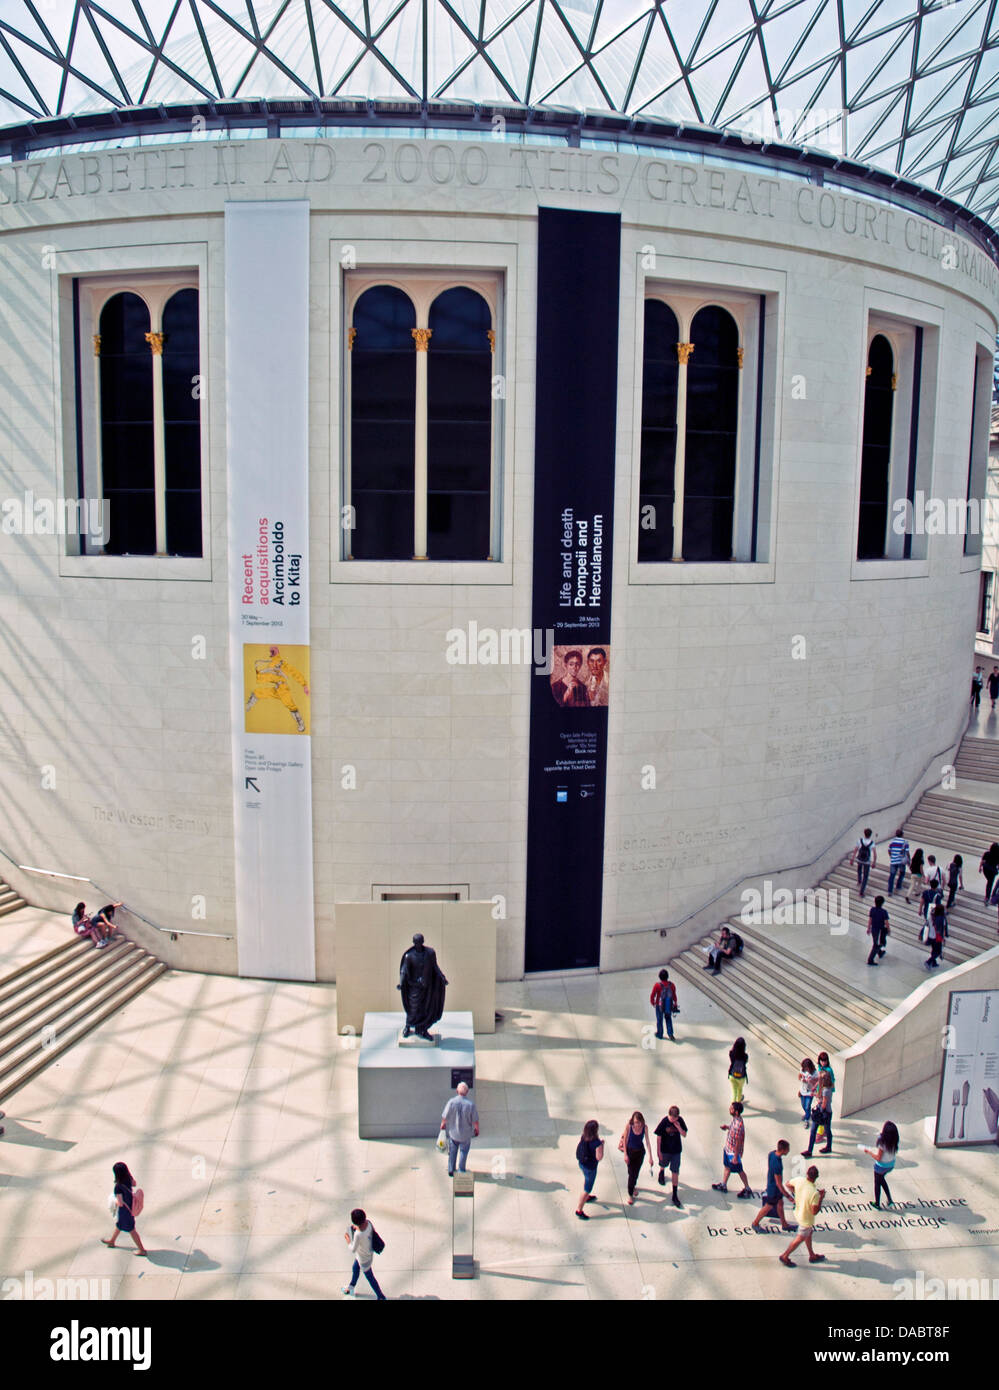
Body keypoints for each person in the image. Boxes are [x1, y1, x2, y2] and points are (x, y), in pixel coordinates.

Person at [246, 645, 310, 733]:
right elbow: (270, 676)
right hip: (276, 689)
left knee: (291, 706)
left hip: (283, 690)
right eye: (271, 651)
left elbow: (295, 673)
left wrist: (304, 685)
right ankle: (247, 706)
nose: (271, 651)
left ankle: (301, 723)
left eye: (273, 650)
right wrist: (258, 674)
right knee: (257, 692)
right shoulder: (272, 663)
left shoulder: (282, 664)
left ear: (277, 652)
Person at [397, 933, 448, 1038]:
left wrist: (442, 977)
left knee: (425, 1009)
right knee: (413, 1008)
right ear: (413, 943)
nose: (418, 944)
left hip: (426, 986)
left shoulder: (430, 953)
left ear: (423, 942)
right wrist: (401, 983)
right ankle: (408, 1026)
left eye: (420, 942)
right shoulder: (409, 956)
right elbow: (404, 971)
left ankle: (422, 1030)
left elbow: (435, 967)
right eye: (416, 943)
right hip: (414, 987)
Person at [780, 1165, 826, 1266]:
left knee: (808, 1233)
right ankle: (785, 1255)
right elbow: (814, 1211)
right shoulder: (815, 1193)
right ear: (816, 1177)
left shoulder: (799, 1180)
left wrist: (796, 1192)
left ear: (807, 1174)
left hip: (798, 1212)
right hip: (806, 1218)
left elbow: (787, 1184)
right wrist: (821, 1198)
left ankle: (812, 1255)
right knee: (800, 1237)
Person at [751, 1139, 798, 1232]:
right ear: (783, 1150)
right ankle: (755, 1223)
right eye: (788, 1149)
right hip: (774, 1189)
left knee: (780, 1204)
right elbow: (779, 1183)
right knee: (768, 1206)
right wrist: (789, 1196)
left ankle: (784, 1224)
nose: (788, 1151)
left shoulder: (771, 1154)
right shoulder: (777, 1164)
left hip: (771, 1184)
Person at [101, 1162, 146, 1255]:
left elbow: (120, 1203)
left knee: (131, 1230)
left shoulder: (118, 1187)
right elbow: (134, 1183)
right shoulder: (128, 1179)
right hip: (130, 1206)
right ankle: (112, 1241)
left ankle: (142, 1250)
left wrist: (113, 1200)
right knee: (119, 1225)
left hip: (125, 1211)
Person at [341, 1208, 386, 1299]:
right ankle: (351, 1287)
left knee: (370, 1278)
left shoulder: (358, 1234)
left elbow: (353, 1249)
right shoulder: (369, 1223)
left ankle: (381, 1296)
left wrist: (348, 1239)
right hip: (367, 1254)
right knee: (355, 1268)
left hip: (363, 1259)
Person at [712, 1101, 753, 1198]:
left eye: (731, 1109)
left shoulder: (738, 1125)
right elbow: (733, 1129)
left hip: (733, 1152)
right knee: (727, 1167)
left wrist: (735, 1156)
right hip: (728, 1148)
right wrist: (727, 1127)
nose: (729, 1110)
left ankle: (747, 1188)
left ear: (737, 1112)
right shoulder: (735, 1119)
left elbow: (738, 1141)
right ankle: (724, 1184)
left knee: (739, 1170)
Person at [440, 1081, 479, 1177]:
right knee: (463, 1152)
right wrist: (477, 1129)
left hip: (453, 1133)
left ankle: (451, 1169)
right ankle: (461, 1170)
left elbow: (445, 1116)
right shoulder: (471, 1105)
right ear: (467, 1092)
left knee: (452, 1151)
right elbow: (475, 1120)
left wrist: (442, 1125)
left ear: (457, 1091)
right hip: (465, 1134)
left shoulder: (451, 1102)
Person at [653, 1105, 687, 1208]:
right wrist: (658, 1151)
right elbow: (658, 1137)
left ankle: (675, 1195)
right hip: (665, 1150)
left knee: (675, 1171)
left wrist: (678, 1127)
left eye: (675, 1118)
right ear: (669, 1115)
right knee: (663, 1163)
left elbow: (684, 1134)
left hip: (676, 1151)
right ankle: (661, 1171)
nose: (673, 1120)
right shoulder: (664, 1122)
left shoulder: (680, 1121)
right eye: (672, 1118)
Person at [619, 1110, 654, 1205]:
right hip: (630, 1151)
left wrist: (651, 1157)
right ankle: (630, 1194)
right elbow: (625, 1140)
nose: (637, 1125)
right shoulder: (629, 1126)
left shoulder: (645, 1128)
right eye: (635, 1123)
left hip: (640, 1152)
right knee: (631, 1174)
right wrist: (625, 1154)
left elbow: (647, 1142)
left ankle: (633, 1186)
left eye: (639, 1122)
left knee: (636, 1172)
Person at [864, 1122, 899, 1209]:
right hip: (890, 1165)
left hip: (881, 1166)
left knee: (877, 1183)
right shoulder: (895, 1140)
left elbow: (878, 1158)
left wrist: (869, 1152)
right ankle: (889, 1199)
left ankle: (877, 1203)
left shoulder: (882, 1143)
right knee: (881, 1179)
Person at [575, 1120, 604, 1219]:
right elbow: (599, 1157)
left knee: (587, 1180)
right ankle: (579, 1210)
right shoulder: (597, 1143)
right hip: (590, 1168)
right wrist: (602, 1145)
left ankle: (586, 1197)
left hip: (582, 1164)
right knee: (588, 1188)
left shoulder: (584, 1137)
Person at [802, 1066, 833, 1157]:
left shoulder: (826, 1090)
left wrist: (818, 1101)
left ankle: (813, 1150)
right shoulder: (825, 1088)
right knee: (825, 1130)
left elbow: (823, 1104)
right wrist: (816, 1094)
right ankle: (826, 1147)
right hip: (826, 1112)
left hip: (823, 1113)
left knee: (818, 1131)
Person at [650, 968, 678, 1041]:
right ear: (667, 976)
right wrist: (675, 1003)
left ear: (659, 977)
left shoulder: (657, 985)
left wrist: (653, 1003)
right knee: (668, 1018)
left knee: (659, 1019)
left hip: (659, 1005)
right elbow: (674, 995)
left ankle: (660, 1033)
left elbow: (652, 995)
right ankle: (670, 1034)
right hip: (668, 1004)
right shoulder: (672, 985)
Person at [850, 828, 877, 897]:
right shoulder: (872, 843)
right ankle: (861, 892)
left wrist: (852, 858)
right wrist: (874, 862)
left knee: (859, 869)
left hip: (859, 859)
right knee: (865, 876)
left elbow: (855, 850)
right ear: (870, 835)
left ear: (864, 833)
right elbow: (874, 854)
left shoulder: (860, 840)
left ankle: (859, 881)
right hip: (867, 862)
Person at [866, 895, 890, 966]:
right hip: (880, 930)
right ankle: (870, 959)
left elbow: (870, 919)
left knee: (876, 942)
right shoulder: (884, 912)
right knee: (878, 944)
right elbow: (886, 922)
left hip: (874, 929)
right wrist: (888, 929)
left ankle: (879, 952)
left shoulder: (872, 909)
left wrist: (868, 928)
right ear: (882, 903)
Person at [886, 829, 910, 896]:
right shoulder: (905, 842)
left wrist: (891, 857)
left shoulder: (892, 841)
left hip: (893, 861)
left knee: (892, 876)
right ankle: (898, 886)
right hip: (901, 861)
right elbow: (907, 852)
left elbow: (889, 850)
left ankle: (890, 891)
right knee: (902, 873)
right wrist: (909, 860)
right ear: (902, 835)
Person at [924, 901, 947, 968]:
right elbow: (943, 928)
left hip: (931, 936)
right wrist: (943, 937)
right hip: (938, 937)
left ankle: (934, 963)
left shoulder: (930, 917)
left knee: (934, 949)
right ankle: (929, 961)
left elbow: (927, 925)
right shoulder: (942, 919)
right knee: (938, 951)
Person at [728, 1037, 749, 1103]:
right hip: (741, 1077)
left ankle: (733, 1104)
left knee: (734, 1090)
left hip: (732, 1075)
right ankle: (738, 1103)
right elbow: (746, 1061)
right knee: (739, 1090)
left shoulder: (731, 1054)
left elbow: (731, 1060)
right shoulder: (745, 1056)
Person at [798, 1058, 818, 1128]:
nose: (806, 1069)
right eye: (805, 1068)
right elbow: (799, 1076)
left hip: (810, 1092)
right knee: (803, 1105)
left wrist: (811, 1080)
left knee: (807, 1106)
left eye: (807, 1068)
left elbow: (817, 1082)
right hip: (803, 1090)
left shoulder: (815, 1073)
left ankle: (807, 1119)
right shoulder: (802, 1070)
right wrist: (802, 1079)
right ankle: (807, 1113)